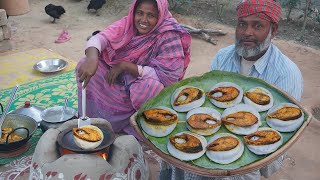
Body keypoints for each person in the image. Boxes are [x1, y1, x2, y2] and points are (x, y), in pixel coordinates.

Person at [159, 0, 303, 179]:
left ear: (273, 30)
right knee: (175, 151)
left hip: (262, 142)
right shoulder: (223, 57)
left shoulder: (286, 73)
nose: (247, 33)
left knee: (231, 173)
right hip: (217, 125)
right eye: (242, 24)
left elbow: (279, 129)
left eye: (257, 26)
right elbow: (210, 102)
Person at [76, 0, 191, 138]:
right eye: (140, 13)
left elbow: (169, 76)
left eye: (150, 15)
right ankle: (96, 120)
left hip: (140, 83)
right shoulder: (127, 24)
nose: (143, 20)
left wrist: (127, 66)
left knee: (150, 88)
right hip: (117, 79)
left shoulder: (168, 34)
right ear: (134, 12)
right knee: (84, 64)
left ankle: (134, 125)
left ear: (160, 16)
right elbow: (99, 39)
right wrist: (92, 59)